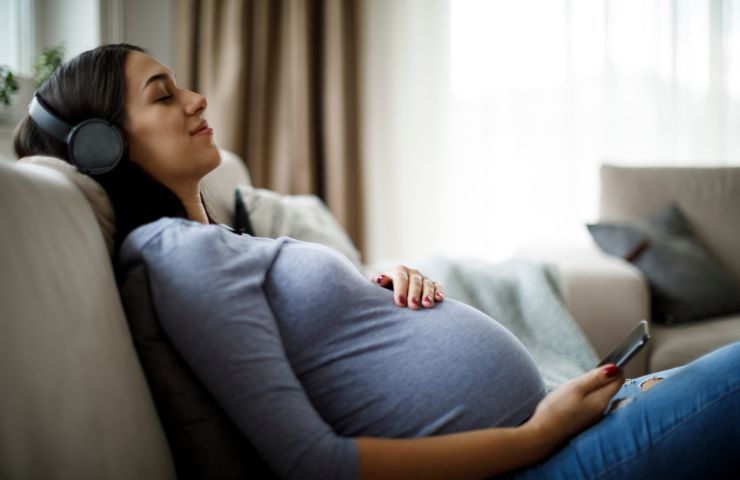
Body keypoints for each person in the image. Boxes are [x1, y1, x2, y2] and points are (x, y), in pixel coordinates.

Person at [13, 44, 739, 480]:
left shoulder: (222, 239)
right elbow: (314, 464)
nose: (198, 98)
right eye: (164, 95)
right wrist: (536, 435)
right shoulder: (178, 255)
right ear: (103, 145)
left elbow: (323, 342)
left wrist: (373, 287)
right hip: (541, 461)